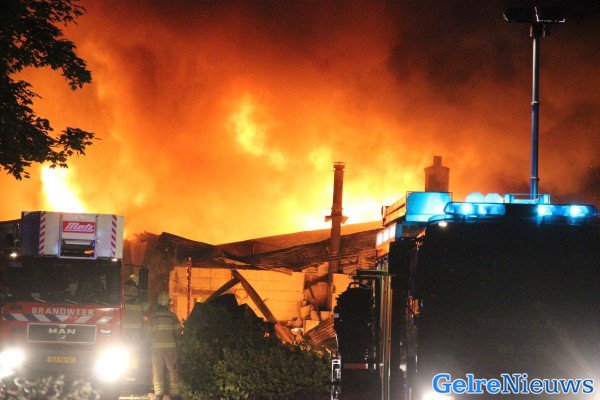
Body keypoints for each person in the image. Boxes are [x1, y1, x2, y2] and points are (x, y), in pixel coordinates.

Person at [145, 291, 183, 400]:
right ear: (168, 302)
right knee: (172, 369)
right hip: (170, 348)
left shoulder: (152, 316)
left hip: (156, 348)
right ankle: (175, 394)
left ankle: (159, 395)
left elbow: (147, 333)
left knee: (157, 371)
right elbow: (178, 332)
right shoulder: (172, 316)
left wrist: (151, 343)